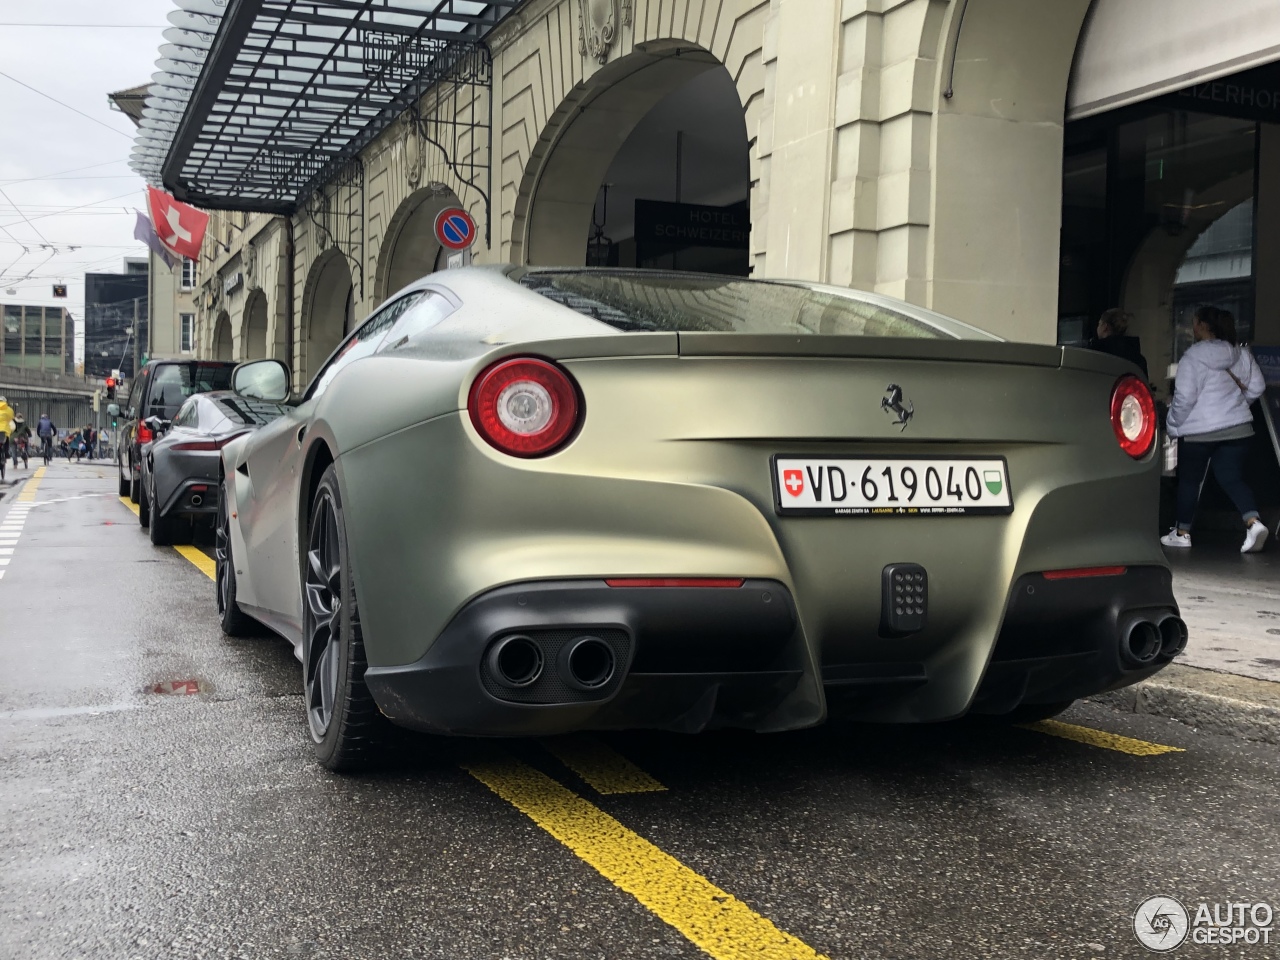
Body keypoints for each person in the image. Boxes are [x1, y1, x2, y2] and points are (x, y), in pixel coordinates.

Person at [1162, 305, 1267, 553]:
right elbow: (1257, 387)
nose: (1192, 326)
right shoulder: (1241, 354)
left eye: (1195, 322)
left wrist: (1174, 423)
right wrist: (1236, 406)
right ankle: (1253, 522)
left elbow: (1185, 398)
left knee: (1189, 481)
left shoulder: (1192, 358)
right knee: (1231, 477)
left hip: (1199, 432)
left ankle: (1182, 533)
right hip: (1238, 428)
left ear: (1202, 326)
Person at [1088, 307, 1149, 379]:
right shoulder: (1138, 358)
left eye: (1099, 324)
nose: (1097, 328)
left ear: (1105, 326)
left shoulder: (1094, 354)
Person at [0, 395, 14, 465]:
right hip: (3, 429)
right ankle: (6, 453)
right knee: (6, 441)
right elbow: (11, 418)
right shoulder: (9, 409)